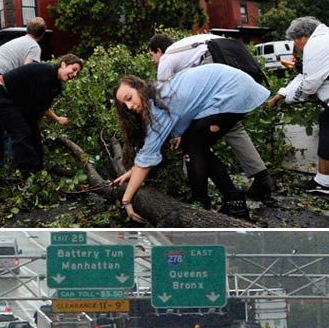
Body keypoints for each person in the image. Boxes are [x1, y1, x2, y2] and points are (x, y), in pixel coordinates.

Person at [111, 63, 270, 222]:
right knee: (195, 143)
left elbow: (147, 158)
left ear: (139, 87)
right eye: (125, 106)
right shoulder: (158, 94)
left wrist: (127, 199)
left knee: (192, 144)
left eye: (129, 98)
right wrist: (132, 172)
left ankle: (201, 207)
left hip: (232, 91)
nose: (129, 106)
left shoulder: (160, 105)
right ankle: (233, 203)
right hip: (235, 86)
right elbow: (148, 154)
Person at [148, 33, 274, 202]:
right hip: (236, 60)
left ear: (158, 51)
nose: (152, 61)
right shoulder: (187, 45)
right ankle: (262, 178)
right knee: (232, 126)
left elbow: (166, 99)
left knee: (193, 139)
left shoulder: (167, 57)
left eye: (151, 55)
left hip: (213, 61)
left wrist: (175, 133)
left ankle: (198, 188)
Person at [0, 53, 83, 175]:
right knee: (21, 133)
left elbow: (39, 110)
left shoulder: (56, 86)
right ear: (63, 64)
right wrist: (57, 119)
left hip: (15, 102)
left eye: (77, 73)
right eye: (74, 69)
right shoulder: (47, 72)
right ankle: (28, 174)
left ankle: (39, 173)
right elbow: (38, 105)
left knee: (33, 136)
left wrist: (37, 131)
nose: (75, 74)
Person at [268, 16, 329, 194]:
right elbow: (304, 76)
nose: (297, 48)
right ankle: (323, 181)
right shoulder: (324, 39)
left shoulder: (316, 45)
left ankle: (324, 183)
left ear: (301, 37)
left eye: (296, 44)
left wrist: (289, 99)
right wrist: (281, 94)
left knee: (326, 138)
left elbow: (309, 85)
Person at [0, 17, 48, 161]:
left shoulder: (16, 41)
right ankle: (13, 165)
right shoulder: (34, 47)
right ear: (42, 34)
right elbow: (27, 71)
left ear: (27, 30)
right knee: (15, 122)